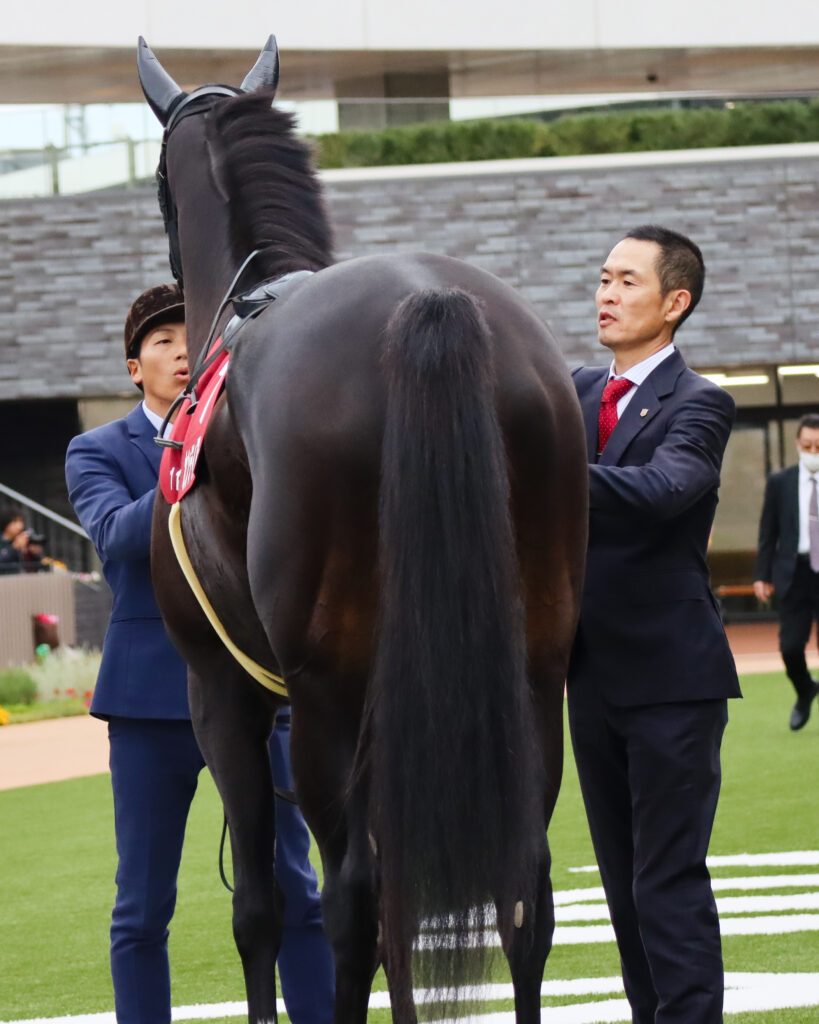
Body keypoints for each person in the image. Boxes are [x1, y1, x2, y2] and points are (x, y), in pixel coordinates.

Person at [65, 284, 334, 1024]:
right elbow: (118, 538)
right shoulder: (95, 450)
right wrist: (184, 450)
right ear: (133, 368)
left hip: (255, 690)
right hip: (150, 703)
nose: (182, 349)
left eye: (192, 336)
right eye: (162, 341)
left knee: (294, 886)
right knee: (143, 905)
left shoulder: (250, 440)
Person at [567, 225, 741, 1024]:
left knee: (664, 879)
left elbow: (666, 489)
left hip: (672, 676)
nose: (606, 294)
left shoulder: (701, 403)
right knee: (620, 881)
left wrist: (541, 466)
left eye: (626, 282)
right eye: (602, 278)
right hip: (586, 673)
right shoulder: (566, 394)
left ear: (675, 303)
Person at [753, 413, 819, 730]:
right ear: (797, 444)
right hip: (794, 574)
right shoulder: (780, 482)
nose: (813, 452)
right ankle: (805, 689)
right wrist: (761, 575)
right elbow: (768, 533)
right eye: (807, 445)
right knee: (790, 647)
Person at [0, 507, 45, 573]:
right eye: (15, 521)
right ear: (6, 524)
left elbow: (35, 566)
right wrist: (14, 548)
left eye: (21, 521)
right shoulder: (3, 542)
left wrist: (33, 553)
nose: (20, 526)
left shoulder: (24, 540)